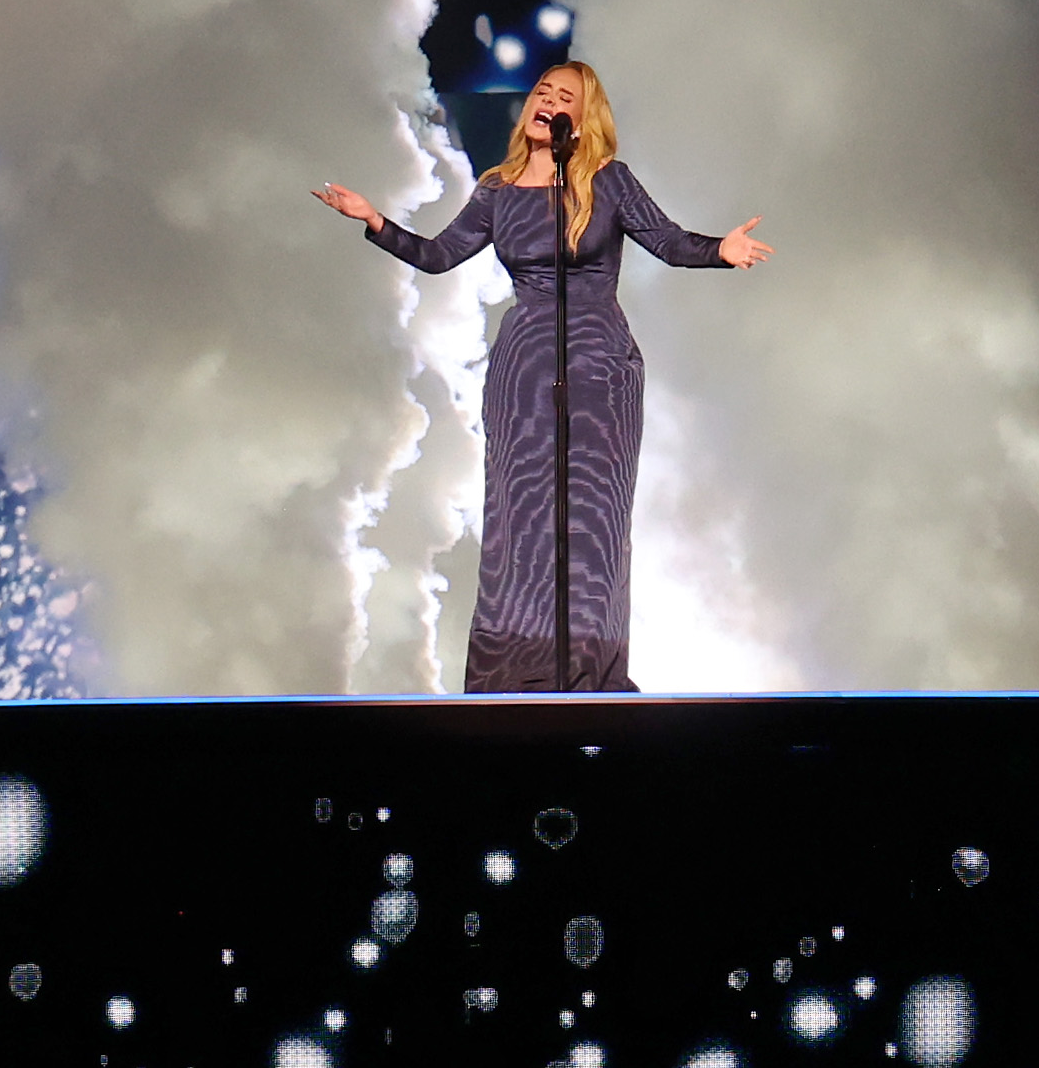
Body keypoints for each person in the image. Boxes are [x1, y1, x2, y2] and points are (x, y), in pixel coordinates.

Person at [314, 57, 765, 692]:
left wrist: (720, 249)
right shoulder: (497, 190)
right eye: (542, 91)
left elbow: (666, 241)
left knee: (591, 520)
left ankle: (588, 673)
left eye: (565, 97)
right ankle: (514, 675)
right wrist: (374, 220)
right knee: (520, 515)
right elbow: (439, 256)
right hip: (525, 368)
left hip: (600, 367)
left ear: (581, 121)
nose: (547, 101)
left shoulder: (607, 182)